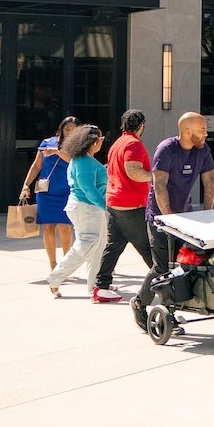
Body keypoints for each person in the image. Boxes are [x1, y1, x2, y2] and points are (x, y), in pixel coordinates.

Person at [94, 110, 153, 301]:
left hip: (113, 202)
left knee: (113, 246)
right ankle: (166, 285)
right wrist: (156, 176)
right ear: (141, 125)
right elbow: (133, 171)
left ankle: (101, 287)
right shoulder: (133, 144)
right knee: (148, 248)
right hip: (131, 204)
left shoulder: (117, 143)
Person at [148, 112, 214, 275]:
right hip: (160, 215)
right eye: (202, 130)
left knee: (186, 263)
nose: (206, 134)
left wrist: (208, 214)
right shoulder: (166, 149)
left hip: (185, 215)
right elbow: (159, 185)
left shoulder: (203, 150)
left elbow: (210, 182)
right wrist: (169, 219)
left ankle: (176, 299)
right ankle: (140, 301)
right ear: (187, 132)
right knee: (162, 267)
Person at [45, 125, 107, 297]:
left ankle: (95, 283)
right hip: (87, 207)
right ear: (94, 142)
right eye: (101, 139)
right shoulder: (84, 162)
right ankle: (55, 278)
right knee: (87, 245)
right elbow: (89, 189)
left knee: (97, 245)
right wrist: (105, 206)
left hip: (86, 207)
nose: (102, 142)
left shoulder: (82, 160)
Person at [17, 116, 77, 271]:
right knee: (48, 227)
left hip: (66, 191)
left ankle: (65, 264)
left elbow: (73, 160)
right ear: (62, 129)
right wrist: (26, 185)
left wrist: (57, 152)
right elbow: (37, 165)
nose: (69, 132)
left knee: (65, 227)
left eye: (73, 129)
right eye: (67, 128)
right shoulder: (47, 142)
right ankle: (52, 264)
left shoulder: (77, 146)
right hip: (45, 190)